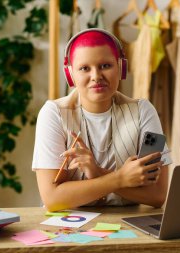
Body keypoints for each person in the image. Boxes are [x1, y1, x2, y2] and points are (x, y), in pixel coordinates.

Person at [32, 28, 171, 212]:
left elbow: (157, 195)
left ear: (121, 67)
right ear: (70, 74)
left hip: (129, 226)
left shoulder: (144, 112)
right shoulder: (53, 114)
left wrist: (97, 173)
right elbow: (52, 198)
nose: (96, 76)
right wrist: (120, 179)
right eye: (84, 68)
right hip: (68, 228)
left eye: (105, 65)